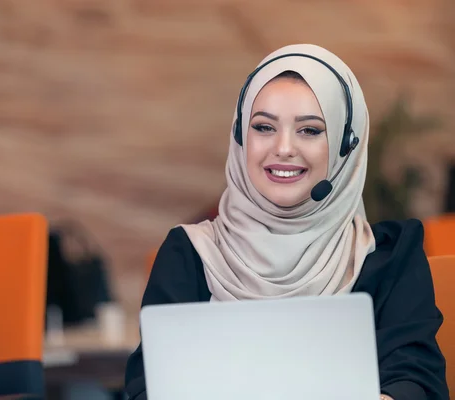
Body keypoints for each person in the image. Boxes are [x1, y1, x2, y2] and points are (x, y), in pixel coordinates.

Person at [124, 44, 449, 400]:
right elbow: (148, 388)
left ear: (346, 145)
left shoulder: (391, 258)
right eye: (263, 127)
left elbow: (416, 381)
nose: (283, 148)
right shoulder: (188, 254)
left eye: (309, 130)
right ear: (240, 138)